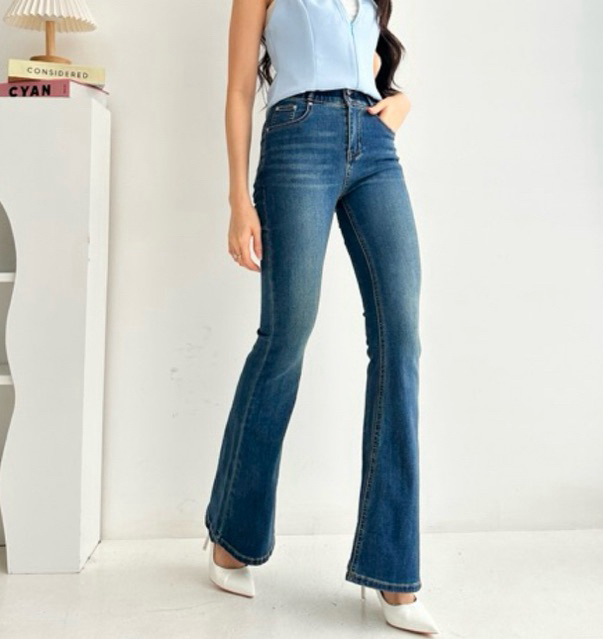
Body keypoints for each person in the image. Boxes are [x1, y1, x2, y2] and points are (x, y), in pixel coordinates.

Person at [202, 0, 440, 633]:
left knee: (401, 340)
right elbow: (239, 87)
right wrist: (238, 200)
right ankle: (232, 536)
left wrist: (401, 104)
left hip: (375, 149)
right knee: (287, 336)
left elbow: (367, 62)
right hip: (297, 139)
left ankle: (393, 570)